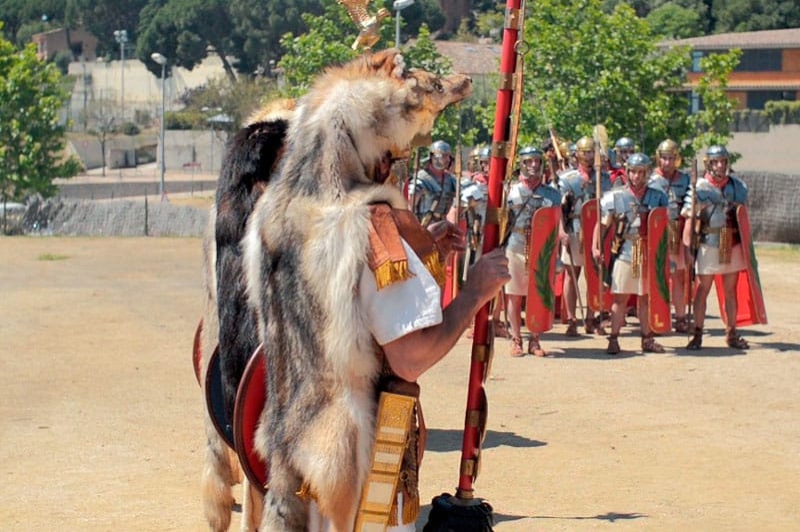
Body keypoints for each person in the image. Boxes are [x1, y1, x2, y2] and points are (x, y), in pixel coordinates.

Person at [594, 153, 669, 354]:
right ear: (627, 172)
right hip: (625, 252)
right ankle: (614, 339)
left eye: (641, 172)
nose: (636, 176)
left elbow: (663, 227)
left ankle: (647, 339)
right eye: (633, 172)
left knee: (645, 299)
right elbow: (602, 226)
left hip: (647, 253)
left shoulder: (658, 197)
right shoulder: (615, 196)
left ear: (647, 173)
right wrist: (596, 247)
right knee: (620, 299)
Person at [682, 145, 751, 350]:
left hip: (731, 243)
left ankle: (731, 333)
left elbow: (743, 219)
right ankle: (697, 334)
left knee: (730, 292)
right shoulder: (700, 188)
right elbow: (688, 221)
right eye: (716, 161)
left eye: (723, 161)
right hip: (708, 244)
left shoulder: (738, 187)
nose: (720, 165)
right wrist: (687, 250)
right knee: (702, 290)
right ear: (709, 164)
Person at [505, 146, 561, 356]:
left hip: (541, 248)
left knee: (537, 294)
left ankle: (534, 340)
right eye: (529, 161)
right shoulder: (510, 192)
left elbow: (555, 224)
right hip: (516, 245)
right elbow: (504, 224)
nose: (534, 165)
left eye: (537, 161)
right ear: (522, 163)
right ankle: (516, 339)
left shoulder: (552, 195)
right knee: (514, 295)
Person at [558, 135, 613, 336]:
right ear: (577, 154)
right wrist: (561, 229)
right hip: (574, 227)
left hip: (597, 230)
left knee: (595, 275)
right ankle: (572, 318)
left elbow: (609, 206)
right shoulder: (567, 179)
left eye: (591, 152)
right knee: (572, 275)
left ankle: (591, 317)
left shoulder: (604, 179)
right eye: (585, 152)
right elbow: (559, 208)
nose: (588, 156)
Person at [649, 139, 692, 333]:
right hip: (658, 231)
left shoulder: (685, 180)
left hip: (677, 230)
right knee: (658, 276)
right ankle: (658, 314)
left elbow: (691, 206)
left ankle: (681, 317)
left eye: (671, 158)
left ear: (677, 159)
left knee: (678, 275)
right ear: (659, 159)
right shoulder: (651, 180)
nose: (667, 162)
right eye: (664, 158)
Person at [411, 140, 459, 225]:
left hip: (443, 225)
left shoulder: (450, 180)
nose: (448, 160)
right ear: (433, 157)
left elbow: (458, 204)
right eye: (444, 156)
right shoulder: (422, 179)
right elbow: (410, 206)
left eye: (448, 156)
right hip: (423, 225)